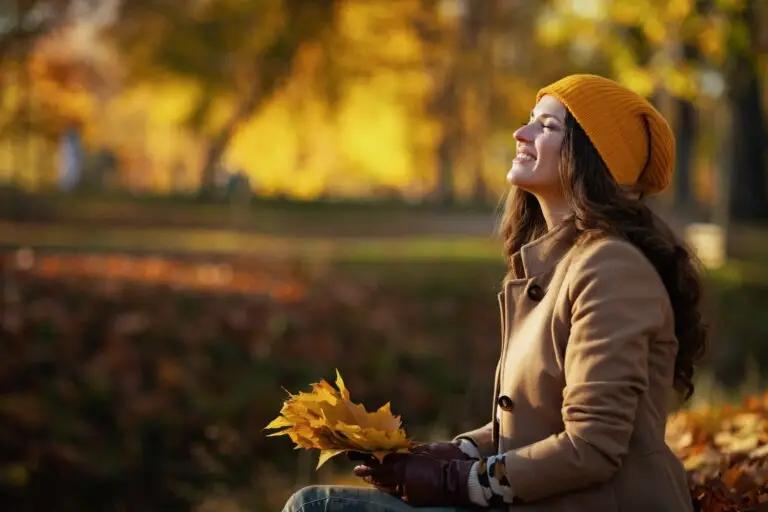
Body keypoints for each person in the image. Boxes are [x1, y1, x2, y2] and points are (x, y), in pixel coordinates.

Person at [281, 74, 708, 512]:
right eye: (529, 121)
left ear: (593, 158)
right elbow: (534, 426)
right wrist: (453, 454)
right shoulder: (557, 264)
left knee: (316, 507)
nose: (520, 134)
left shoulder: (611, 270)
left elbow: (593, 447)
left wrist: (455, 481)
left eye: (547, 126)